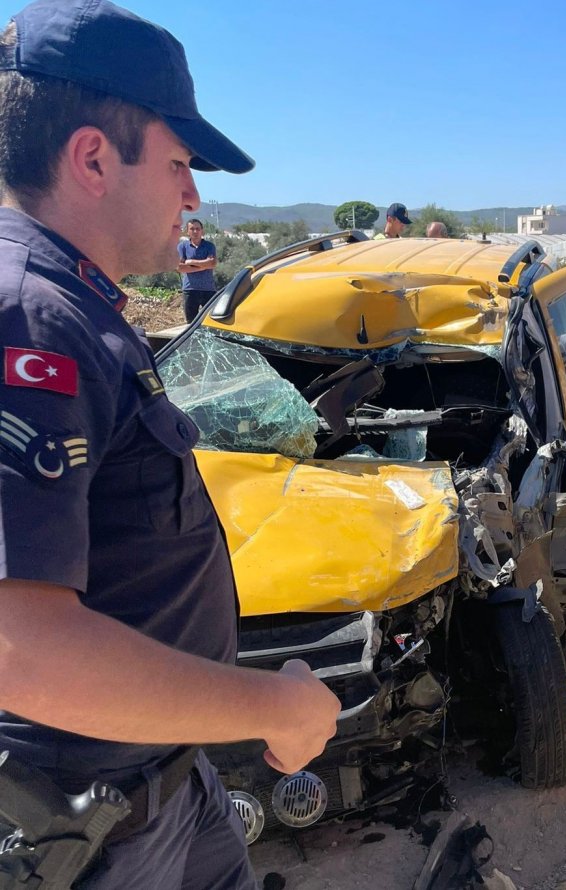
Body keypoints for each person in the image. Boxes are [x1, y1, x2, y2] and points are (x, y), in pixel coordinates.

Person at [0, 2, 341, 887]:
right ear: (91, 158)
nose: (193, 194)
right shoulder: (30, 320)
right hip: (86, 830)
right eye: (180, 162)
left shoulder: (79, 309)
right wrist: (271, 707)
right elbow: (18, 650)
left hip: (163, 784)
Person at [176, 217, 217, 321]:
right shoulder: (182, 246)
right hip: (190, 290)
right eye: (192, 229)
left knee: (210, 321)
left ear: (202, 231)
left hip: (208, 290)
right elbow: (180, 267)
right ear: (187, 231)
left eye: (198, 229)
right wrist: (203, 266)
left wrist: (190, 262)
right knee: (191, 322)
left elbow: (212, 263)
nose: (195, 231)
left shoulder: (209, 246)